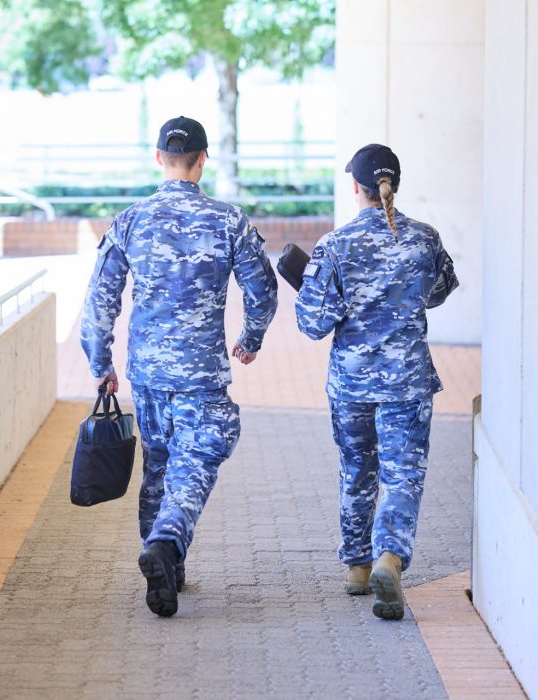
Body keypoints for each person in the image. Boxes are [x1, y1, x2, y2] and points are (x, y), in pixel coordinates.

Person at [80, 116, 278, 617]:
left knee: (160, 467)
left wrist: (100, 362)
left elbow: (99, 302)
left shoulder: (130, 220)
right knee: (195, 463)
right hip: (201, 374)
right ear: (203, 160)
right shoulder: (229, 220)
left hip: (147, 373)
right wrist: (250, 337)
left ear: (158, 158)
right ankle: (167, 544)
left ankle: (166, 571)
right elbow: (264, 289)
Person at [295, 144, 459, 620]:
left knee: (357, 469)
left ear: (356, 188)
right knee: (403, 474)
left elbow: (312, 324)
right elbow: (440, 292)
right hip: (407, 380)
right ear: (394, 185)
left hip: (351, 384)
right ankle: (391, 555)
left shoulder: (336, 244)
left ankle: (358, 568)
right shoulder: (424, 239)